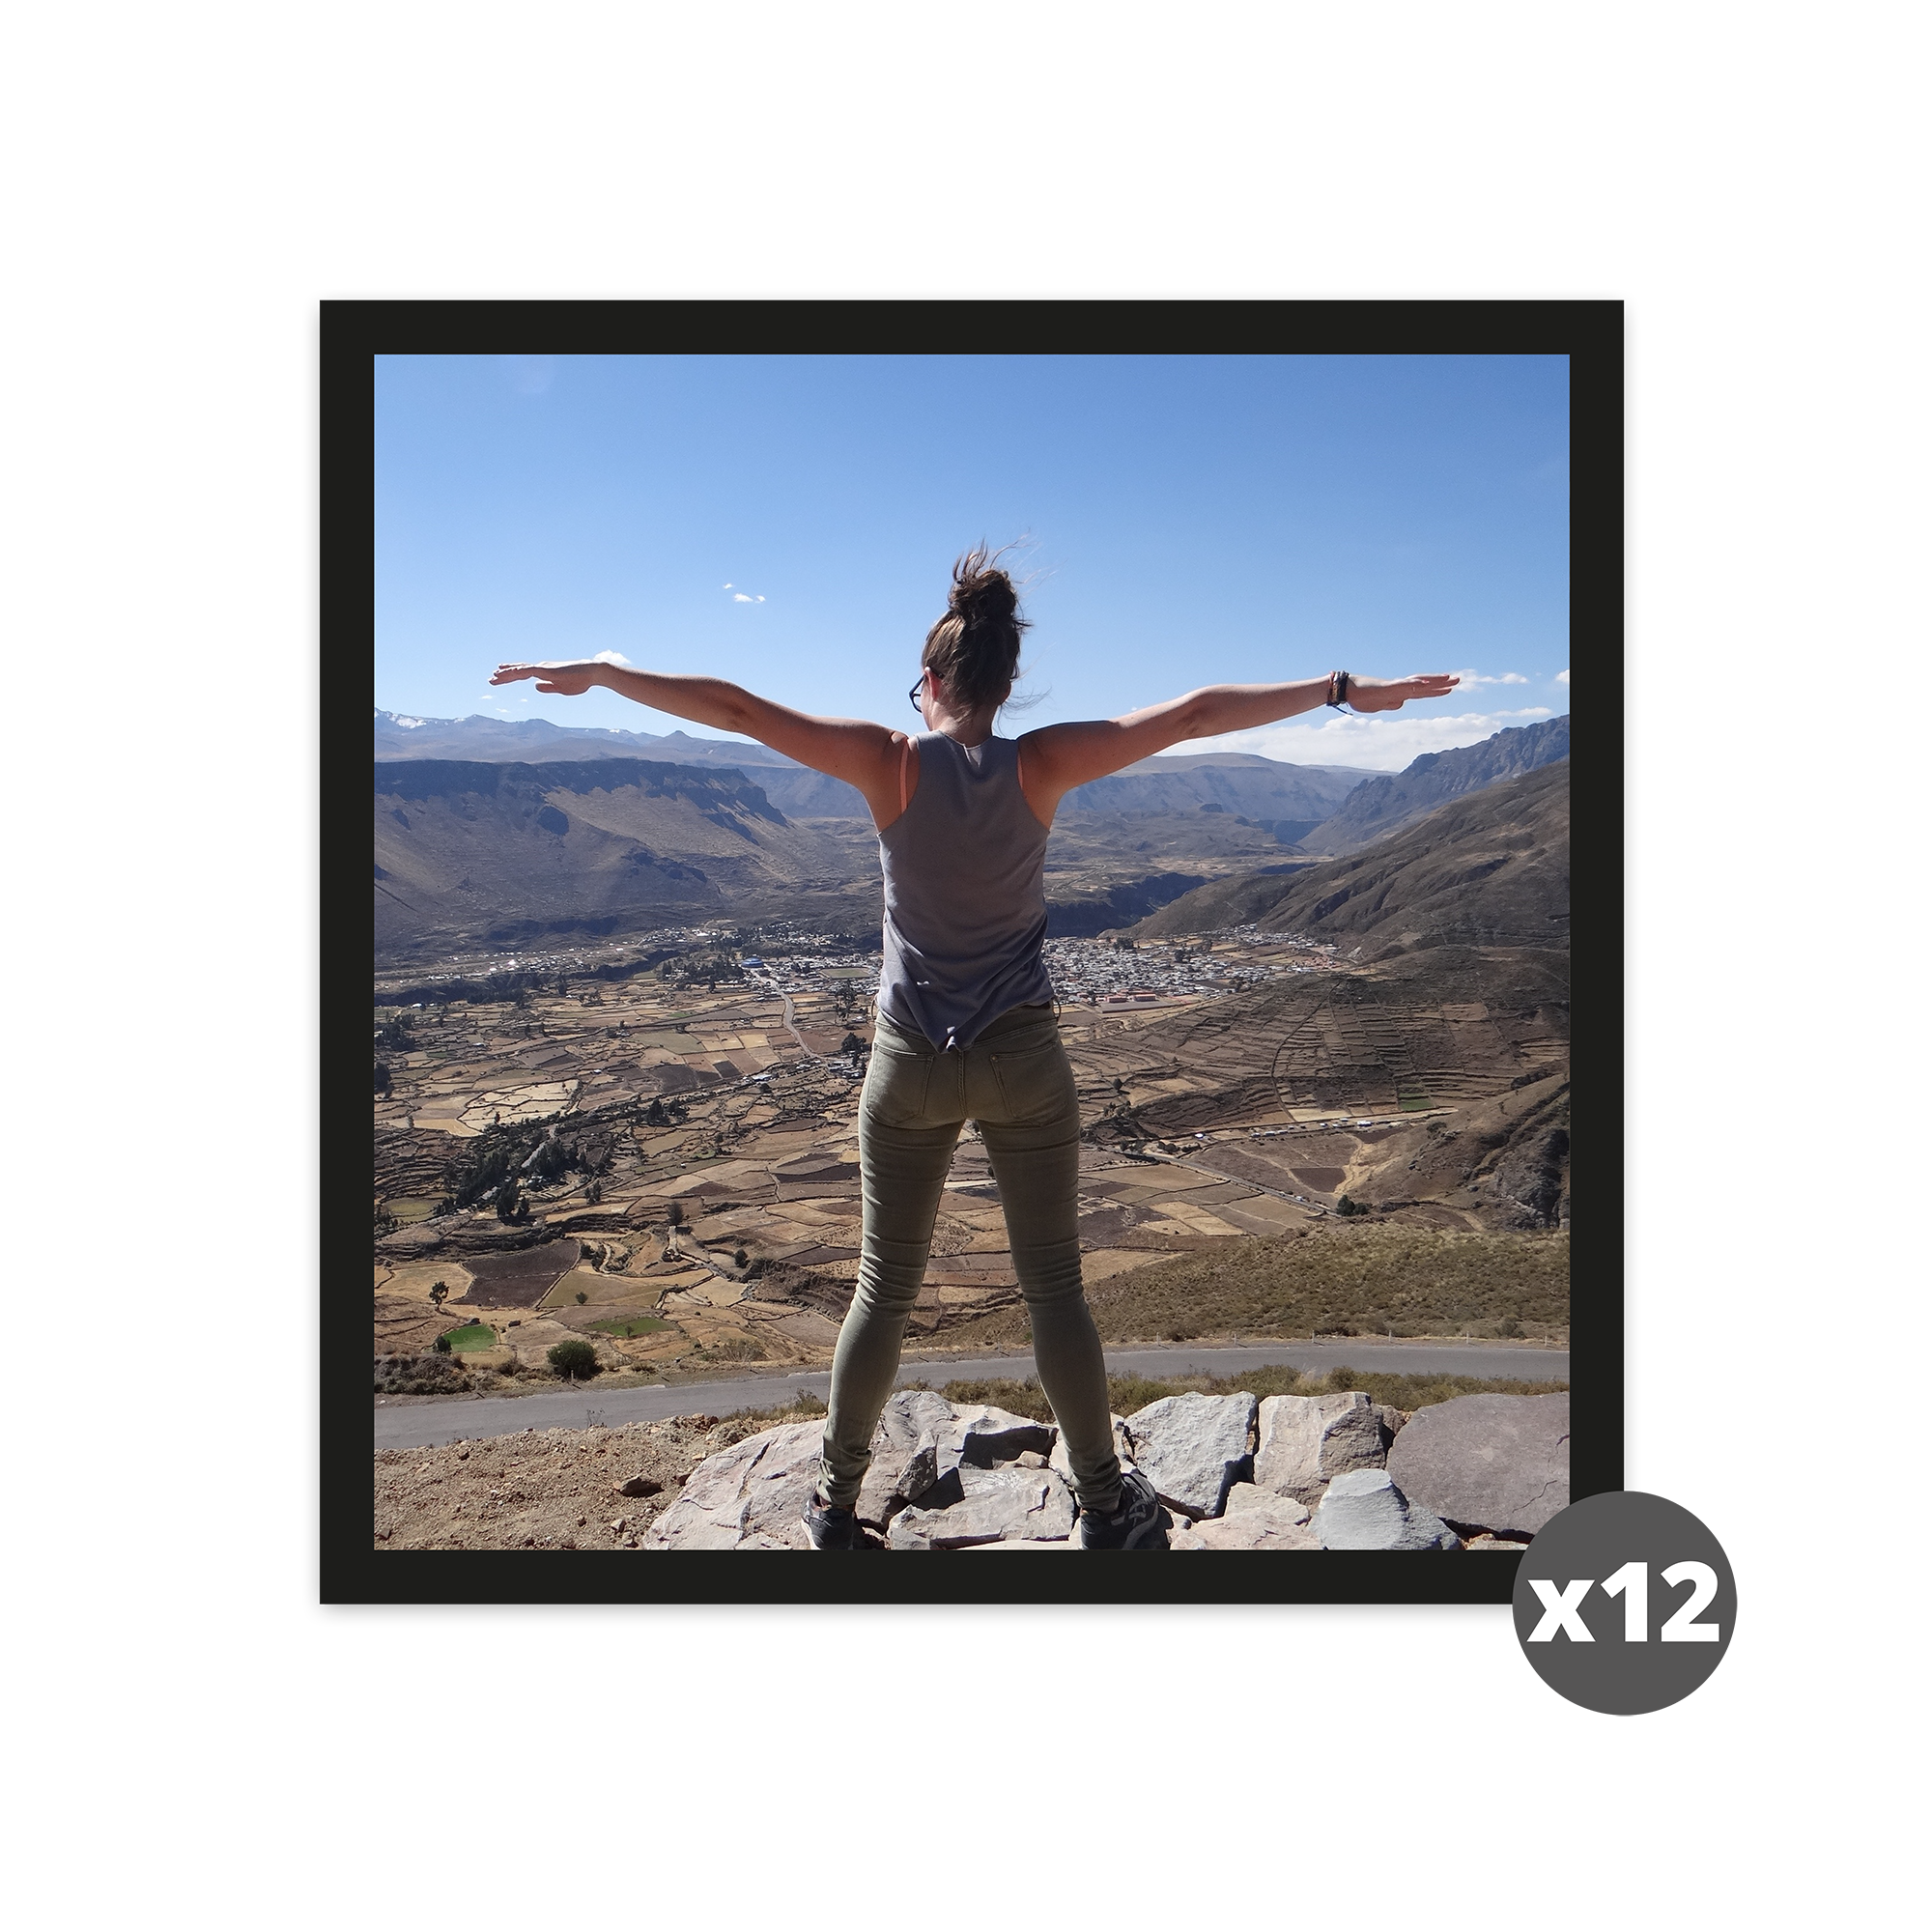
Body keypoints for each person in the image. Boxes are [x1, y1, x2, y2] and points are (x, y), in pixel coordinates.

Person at [491, 546, 1460, 1548]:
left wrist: (603, 672)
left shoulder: (889, 763)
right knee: (1054, 1286)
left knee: (881, 1288)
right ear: (1000, 683)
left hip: (907, 1058)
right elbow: (1193, 713)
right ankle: (1102, 1500)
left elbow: (737, 708)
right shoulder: (1040, 763)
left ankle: (833, 1495)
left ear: (937, 681)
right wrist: (1345, 689)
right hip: (1023, 1060)